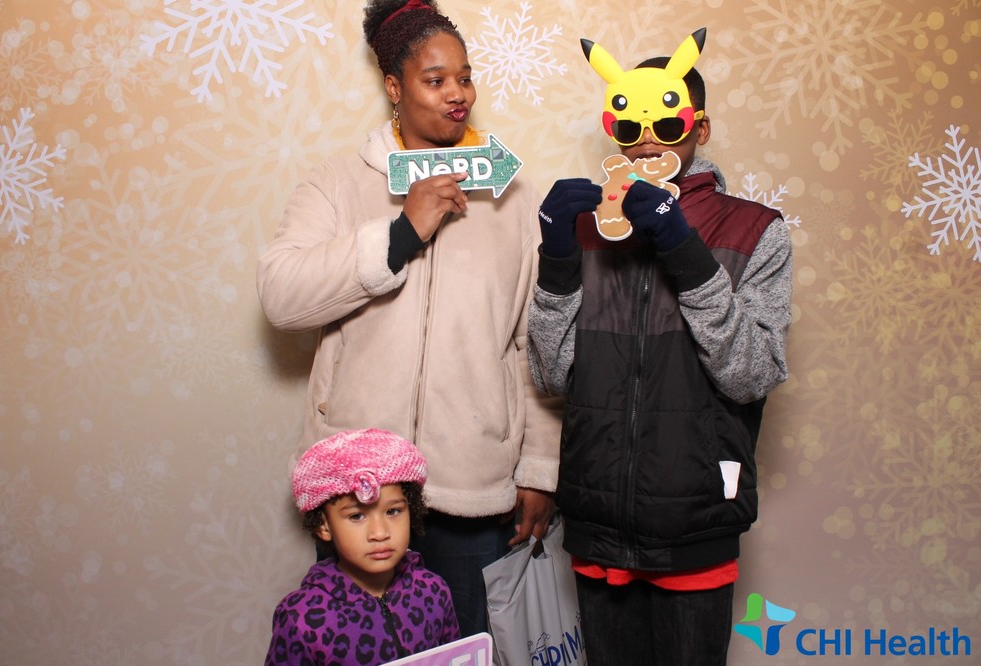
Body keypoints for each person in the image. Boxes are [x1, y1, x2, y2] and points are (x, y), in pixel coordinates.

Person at [256, 0, 560, 637]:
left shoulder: (513, 198)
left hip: (473, 486)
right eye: (435, 79)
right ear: (394, 88)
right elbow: (281, 296)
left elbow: (534, 340)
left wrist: (540, 469)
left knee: (466, 649)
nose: (457, 94)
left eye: (465, 78)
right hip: (361, 489)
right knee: (357, 649)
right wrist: (400, 234)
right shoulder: (338, 184)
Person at [526, 28, 793, 665]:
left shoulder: (756, 230)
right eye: (630, 126)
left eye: (667, 124)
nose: (647, 140)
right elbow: (551, 375)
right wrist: (557, 262)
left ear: (700, 126)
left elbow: (753, 373)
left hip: (696, 525)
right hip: (595, 525)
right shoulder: (588, 230)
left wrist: (684, 250)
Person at [264, 428, 460, 665]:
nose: (380, 533)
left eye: (393, 511)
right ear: (324, 525)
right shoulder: (300, 618)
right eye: (357, 516)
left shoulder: (433, 591)